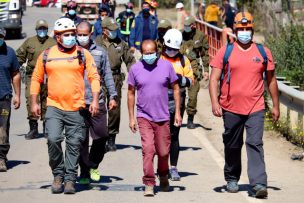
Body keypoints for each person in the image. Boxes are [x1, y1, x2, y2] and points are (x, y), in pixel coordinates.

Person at [209, 12, 280, 198]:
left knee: (255, 143)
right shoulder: (226, 51)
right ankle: (232, 178)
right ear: (235, 30)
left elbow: (271, 81)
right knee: (232, 144)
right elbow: (214, 78)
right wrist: (215, 102)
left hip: (256, 106)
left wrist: (276, 106)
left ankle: (258, 183)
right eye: (241, 29)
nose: (245, 32)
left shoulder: (263, 52)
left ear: (253, 29)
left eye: (248, 29)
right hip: (230, 107)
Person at [30, 18, 100, 194]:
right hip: (54, 106)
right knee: (53, 139)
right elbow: (36, 78)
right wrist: (34, 102)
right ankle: (57, 175)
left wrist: (95, 99)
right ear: (58, 37)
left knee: (74, 145)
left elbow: (94, 77)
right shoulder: (47, 54)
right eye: (66, 35)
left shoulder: (83, 54)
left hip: (77, 108)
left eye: (72, 34)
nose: (70, 37)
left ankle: (69, 179)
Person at [128, 40, 182, 196]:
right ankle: (149, 182)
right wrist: (131, 118)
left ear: (157, 52)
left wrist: (177, 112)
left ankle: (163, 174)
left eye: (152, 53)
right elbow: (131, 93)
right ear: (141, 53)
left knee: (164, 152)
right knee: (148, 150)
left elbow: (176, 89)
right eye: (146, 53)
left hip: (163, 116)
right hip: (144, 116)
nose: (149, 55)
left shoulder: (166, 66)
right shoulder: (135, 69)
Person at [76, 21, 118, 184]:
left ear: (91, 33)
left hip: (97, 101)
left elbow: (107, 75)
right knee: (81, 140)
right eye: (78, 34)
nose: (81, 37)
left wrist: (113, 96)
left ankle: (93, 164)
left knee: (102, 136)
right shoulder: (72, 52)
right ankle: (84, 172)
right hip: (77, 104)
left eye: (84, 34)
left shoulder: (100, 52)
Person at [96, 17, 136, 151]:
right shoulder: (95, 42)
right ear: (104, 31)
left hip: (115, 77)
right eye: (111, 30)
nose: (115, 32)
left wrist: (135, 74)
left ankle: (112, 137)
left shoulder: (121, 44)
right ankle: (100, 138)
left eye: (115, 30)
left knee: (114, 109)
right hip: (98, 79)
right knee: (99, 110)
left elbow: (130, 61)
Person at [160, 29, 194, 181]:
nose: (171, 52)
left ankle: (173, 167)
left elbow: (190, 81)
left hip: (177, 101)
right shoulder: (157, 58)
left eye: (174, 49)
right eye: (168, 48)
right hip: (159, 101)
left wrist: (177, 79)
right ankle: (162, 166)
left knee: (174, 135)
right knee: (161, 136)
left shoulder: (183, 60)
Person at [16, 19, 56, 140]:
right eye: (40, 29)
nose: (42, 31)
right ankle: (33, 128)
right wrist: (15, 67)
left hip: (48, 75)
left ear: (47, 30)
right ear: (36, 30)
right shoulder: (29, 41)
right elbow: (19, 56)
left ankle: (46, 128)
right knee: (30, 99)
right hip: (32, 75)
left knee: (47, 101)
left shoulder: (53, 43)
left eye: (44, 29)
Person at [180, 16, 209, 129]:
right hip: (181, 67)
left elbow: (205, 54)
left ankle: (190, 118)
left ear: (193, 25)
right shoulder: (181, 35)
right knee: (180, 95)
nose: (186, 28)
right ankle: (177, 116)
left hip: (194, 69)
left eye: (188, 26)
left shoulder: (200, 36)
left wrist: (206, 70)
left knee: (193, 96)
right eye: (185, 26)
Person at [0, 27, 21, 172]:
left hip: (4, 98)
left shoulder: (10, 53)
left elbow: (15, 74)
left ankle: (1, 158)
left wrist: (17, 95)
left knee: (3, 129)